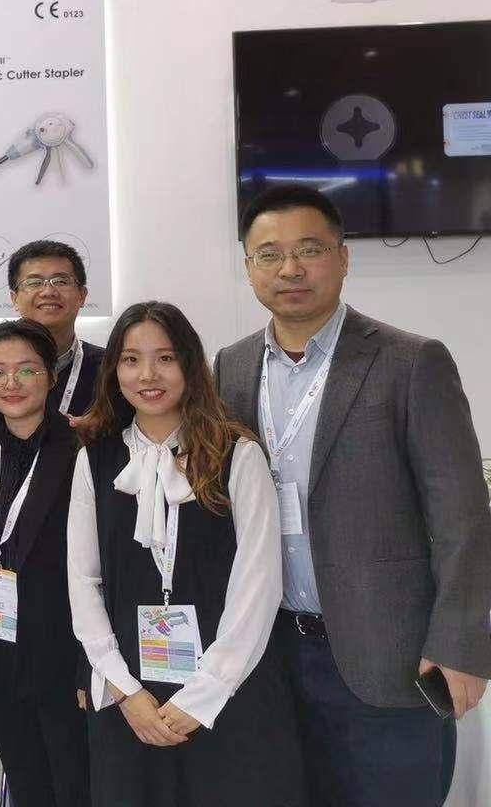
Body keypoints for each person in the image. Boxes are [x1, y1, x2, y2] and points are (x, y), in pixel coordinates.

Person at [214, 186, 491, 807]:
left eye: (309, 250)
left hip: (389, 658)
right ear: (249, 268)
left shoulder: (410, 361)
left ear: (342, 258)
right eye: (269, 254)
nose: (290, 268)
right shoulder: (232, 367)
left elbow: (464, 518)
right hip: (271, 656)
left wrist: (460, 645)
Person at [68, 301, 304, 807]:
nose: (147, 375)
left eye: (166, 358)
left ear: (190, 365)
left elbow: (259, 586)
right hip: (131, 692)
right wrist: (123, 689)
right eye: (131, 360)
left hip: (229, 689)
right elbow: (82, 582)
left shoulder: (237, 455)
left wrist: (205, 693)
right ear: (114, 371)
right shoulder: (96, 459)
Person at [0, 318, 89, 807]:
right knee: (27, 782)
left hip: (64, 650)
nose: (11, 383)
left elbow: (104, 568)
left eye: (26, 370)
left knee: (76, 785)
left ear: (50, 375)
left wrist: (92, 664)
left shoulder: (84, 449)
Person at [0, 240, 104, 420]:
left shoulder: (109, 368)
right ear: (14, 299)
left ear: (82, 295)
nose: (48, 292)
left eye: (61, 281)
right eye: (34, 282)